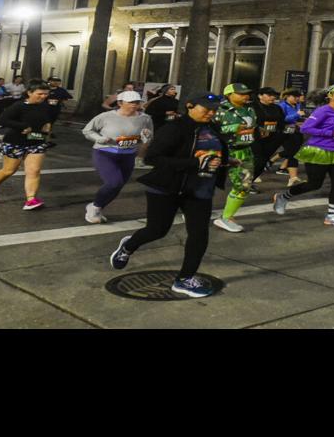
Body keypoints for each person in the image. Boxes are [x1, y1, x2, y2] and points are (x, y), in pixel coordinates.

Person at [108, 92, 228, 298]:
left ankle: (185, 279)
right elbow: (152, 158)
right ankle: (128, 246)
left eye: (215, 109)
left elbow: (215, 153)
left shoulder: (213, 128)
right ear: (189, 106)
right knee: (157, 230)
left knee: (199, 235)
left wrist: (225, 162)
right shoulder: (174, 128)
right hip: (167, 187)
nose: (211, 113)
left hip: (200, 189)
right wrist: (194, 163)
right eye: (206, 109)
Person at [270, 83, 334, 227]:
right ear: (330, 95)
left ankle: (332, 216)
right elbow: (306, 128)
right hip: (319, 151)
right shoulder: (322, 111)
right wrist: (331, 133)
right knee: (314, 184)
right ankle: (283, 197)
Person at [81, 90, 154, 224]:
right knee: (114, 182)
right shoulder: (106, 116)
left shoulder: (145, 118)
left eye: (137, 102)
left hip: (128, 154)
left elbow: (149, 136)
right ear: (120, 103)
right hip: (105, 152)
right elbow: (87, 130)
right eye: (131, 102)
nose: (134, 105)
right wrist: (99, 138)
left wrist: (146, 137)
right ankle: (95, 206)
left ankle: (97, 207)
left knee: (118, 185)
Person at [0, 83, 59, 210]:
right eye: (39, 93)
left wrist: (47, 127)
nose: (43, 96)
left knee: (34, 171)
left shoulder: (46, 106)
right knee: (9, 170)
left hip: (37, 142)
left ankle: (31, 199)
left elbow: (47, 120)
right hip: (15, 141)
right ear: (30, 92)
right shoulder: (19, 105)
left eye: (45, 94)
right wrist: (22, 126)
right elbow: (1, 120)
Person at [212, 82, 259, 233]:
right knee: (204, 183)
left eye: (247, 93)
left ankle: (227, 217)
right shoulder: (219, 110)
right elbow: (210, 129)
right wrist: (233, 128)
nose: (245, 96)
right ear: (229, 95)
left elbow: (252, 126)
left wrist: (260, 130)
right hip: (220, 151)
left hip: (244, 152)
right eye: (241, 94)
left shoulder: (250, 109)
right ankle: (191, 210)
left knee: (244, 186)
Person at [274, 88, 306, 182]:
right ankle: (292, 176)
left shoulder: (298, 105)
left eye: (298, 96)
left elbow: (297, 118)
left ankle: (282, 168)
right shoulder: (282, 106)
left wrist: (302, 121)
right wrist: (297, 115)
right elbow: (282, 119)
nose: (297, 98)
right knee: (293, 152)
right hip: (285, 131)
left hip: (296, 131)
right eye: (295, 96)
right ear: (287, 96)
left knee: (295, 151)